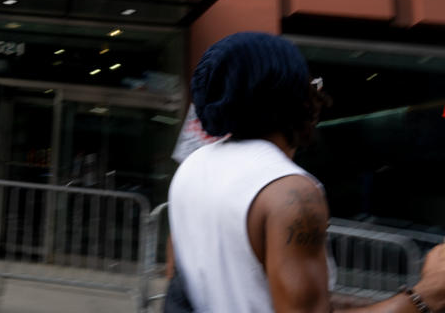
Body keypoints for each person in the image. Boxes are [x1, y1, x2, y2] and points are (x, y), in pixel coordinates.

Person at [168, 31, 445, 312]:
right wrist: (429, 294)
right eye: (312, 84)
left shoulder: (194, 165)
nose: (319, 96)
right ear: (288, 97)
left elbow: (257, 291)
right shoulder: (290, 191)